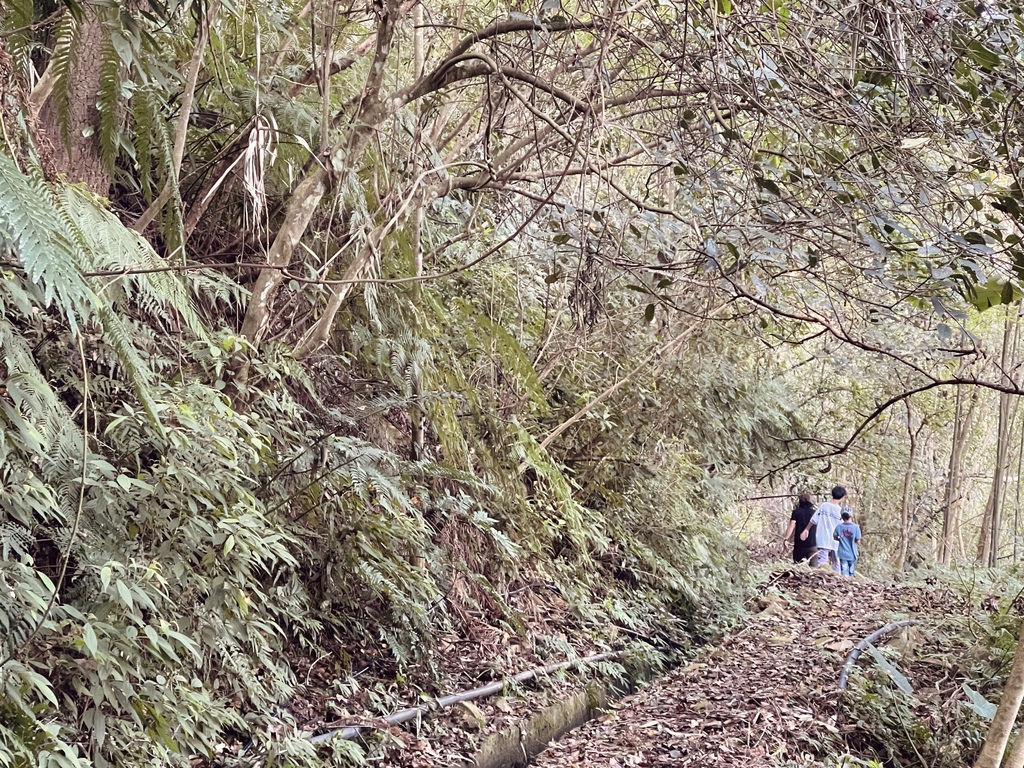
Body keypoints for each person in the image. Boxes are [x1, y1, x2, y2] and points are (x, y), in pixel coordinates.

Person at [800, 485, 846, 572]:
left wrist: (806, 529)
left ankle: (823, 577)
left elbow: (813, 520)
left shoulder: (824, 506)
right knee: (837, 563)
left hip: (823, 539)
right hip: (836, 541)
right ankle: (837, 579)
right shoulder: (841, 511)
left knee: (822, 561)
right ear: (842, 497)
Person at [783, 491, 817, 564]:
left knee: (797, 568)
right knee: (815, 570)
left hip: (799, 545)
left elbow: (791, 526)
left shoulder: (796, 512)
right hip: (813, 544)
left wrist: (786, 539)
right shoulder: (814, 513)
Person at [833, 510, 862, 577]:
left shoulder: (839, 527)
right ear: (851, 516)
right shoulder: (856, 527)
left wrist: (841, 538)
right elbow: (858, 541)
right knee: (851, 571)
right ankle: (851, 584)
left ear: (842, 517)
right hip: (853, 553)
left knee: (844, 571)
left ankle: (845, 584)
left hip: (842, 553)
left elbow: (835, 537)